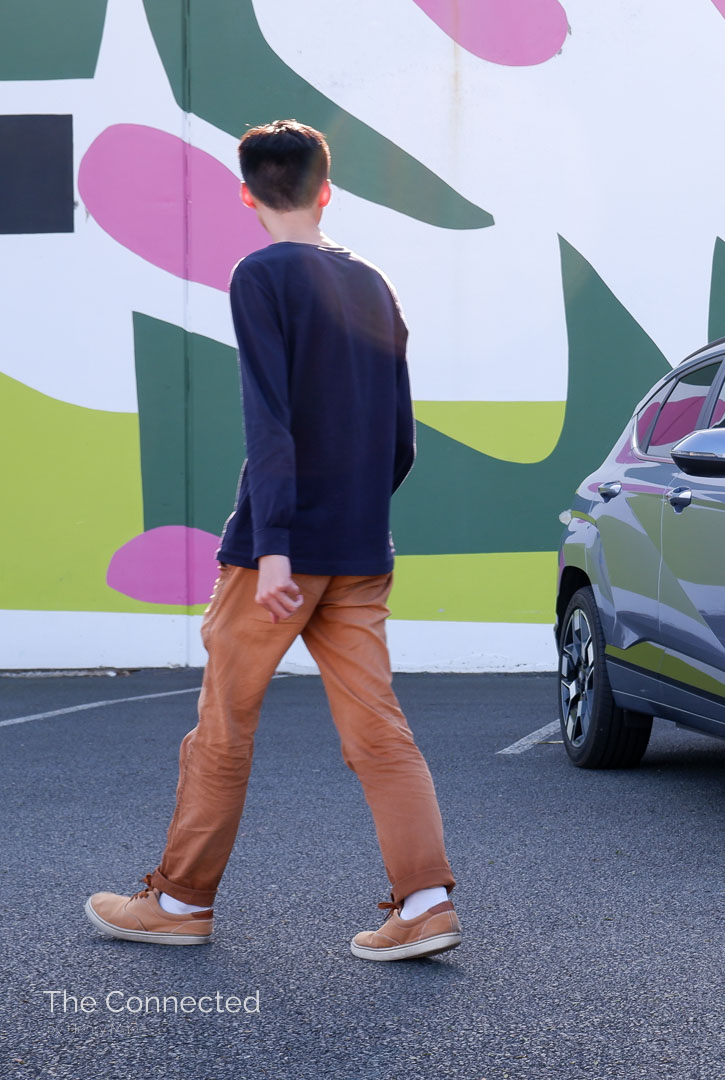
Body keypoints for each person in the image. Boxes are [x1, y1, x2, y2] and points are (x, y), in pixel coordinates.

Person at [85, 120, 461, 961]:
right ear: (327, 191)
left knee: (222, 729)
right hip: (358, 551)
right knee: (380, 732)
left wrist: (280, 547)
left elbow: (269, 415)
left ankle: (179, 903)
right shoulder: (374, 283)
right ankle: (427, 903)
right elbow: (401, 437)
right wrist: (351, 520)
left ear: (247, 195)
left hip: (275, 554)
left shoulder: (259, 275)